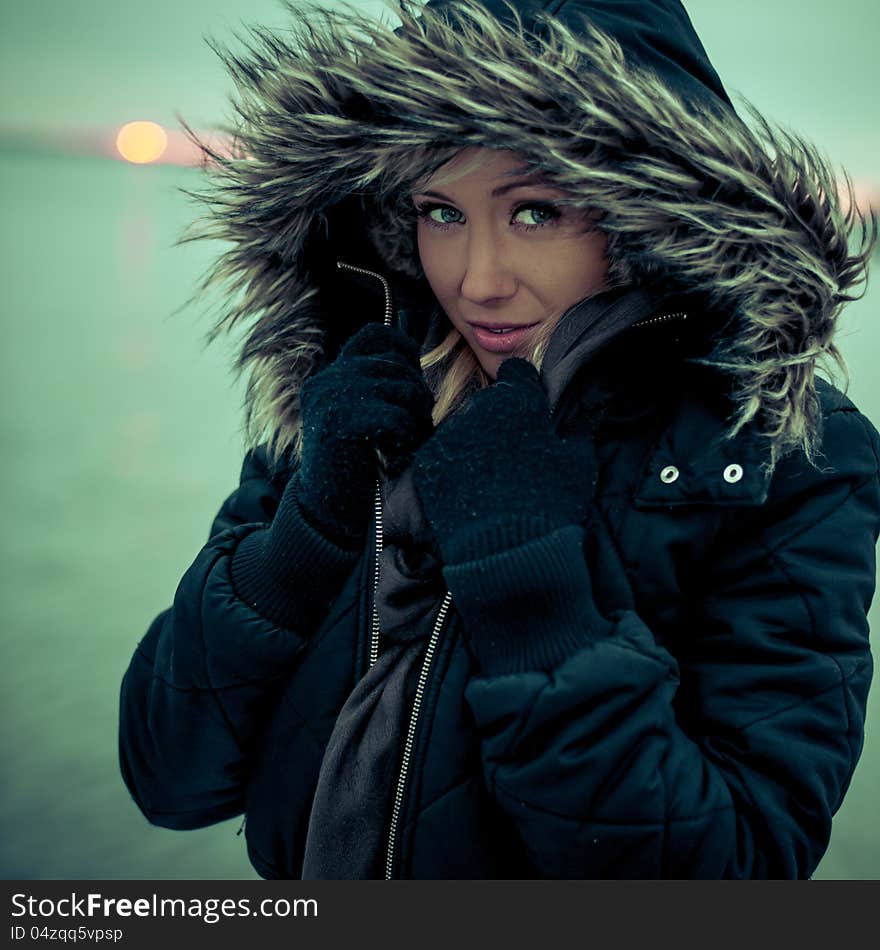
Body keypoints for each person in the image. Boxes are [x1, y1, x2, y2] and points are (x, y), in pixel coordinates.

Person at [118, 0, 880, 879]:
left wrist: (535, 592)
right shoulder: (355, 387)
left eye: (535, 213)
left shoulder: (770, 456)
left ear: (647, 213)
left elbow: (740, 868)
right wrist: (303, 539)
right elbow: (166, 779)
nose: (476, 281)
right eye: (440, 212)